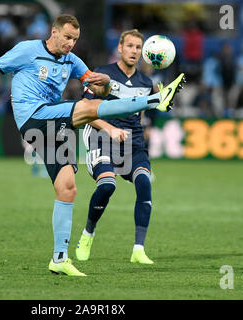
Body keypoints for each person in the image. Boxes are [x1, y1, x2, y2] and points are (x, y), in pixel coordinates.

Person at [0, 14, 185, 276]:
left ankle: (59, 258)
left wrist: (105, 84)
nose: (71, 43)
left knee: (67, 188)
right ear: (54, 32)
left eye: (75, 39)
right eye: (67, 37)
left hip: (53, 126)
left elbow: (98, 90)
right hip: (33, 115)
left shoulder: (72, 61)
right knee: (89, 109)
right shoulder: (28, 50)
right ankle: (155, 101)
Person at [75, 29, 157, 265]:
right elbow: (84, 109)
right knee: (108, 185)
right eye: (130, 46)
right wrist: (110, 129)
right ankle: (88, 233)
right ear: (120, 48)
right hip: (102, 138)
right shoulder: (102, 74)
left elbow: (139, 116)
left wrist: (159, 103)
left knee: (144, 182)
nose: (134, 51)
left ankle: (138, 249)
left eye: (138, 47)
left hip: (132, 143)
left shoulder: (145, 82)